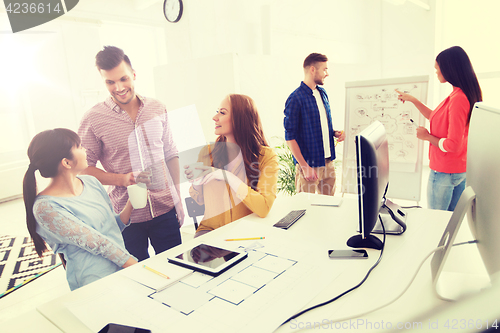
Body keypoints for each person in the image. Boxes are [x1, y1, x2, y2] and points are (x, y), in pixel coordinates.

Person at [78, 46, 183, 261]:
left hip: (165, 209)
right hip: (125, 217)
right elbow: (83, 169)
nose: (118, 87)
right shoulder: (93, 118)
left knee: (176, 267)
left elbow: (171, 153)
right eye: (110, 82)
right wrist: (122, 179)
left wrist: (178, 197)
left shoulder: (157, 108)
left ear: (134, 75)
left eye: (123, 79)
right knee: (136, 278)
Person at [23, 129, 138, 291]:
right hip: (93, 281)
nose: (85, 150)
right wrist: (137, 267)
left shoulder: (91, 182)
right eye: (80, 146)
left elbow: (112, 227)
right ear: (66, 162)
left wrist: (132, 203)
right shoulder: (45, 208)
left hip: (122, 268)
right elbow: (99, 243)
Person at [396, 46, 482, 211]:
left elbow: (452, 145)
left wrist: (427, 136)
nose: (436, 72)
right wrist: (413, 100)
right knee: (449, 220)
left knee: (435, 220)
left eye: (437, 69)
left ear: (449, 68)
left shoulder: (458, 99)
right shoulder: (463, 94)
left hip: (445, 171)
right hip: (458, 169)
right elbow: (435, 116)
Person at [185, 94, 279, 236]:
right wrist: (197, 182)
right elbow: (199, 201)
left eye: (222, 112)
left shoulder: (266, 156)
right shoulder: (207, 152)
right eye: (217, 111)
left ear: (240, 118)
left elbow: (264, 207)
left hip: (247, 232)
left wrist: (227, 176)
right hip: (211, 231)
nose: (214, 117)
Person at [283, 53, 346, 196]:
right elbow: (290, 137)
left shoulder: (322, 93)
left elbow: (320, 126)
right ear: (313, 69)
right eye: (324, 69)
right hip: (309, 166)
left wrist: (335, 133)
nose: (327, 73)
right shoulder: (295, 98)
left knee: (330, 206)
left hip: (328, 163)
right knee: (306, 209)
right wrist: (305, 167)